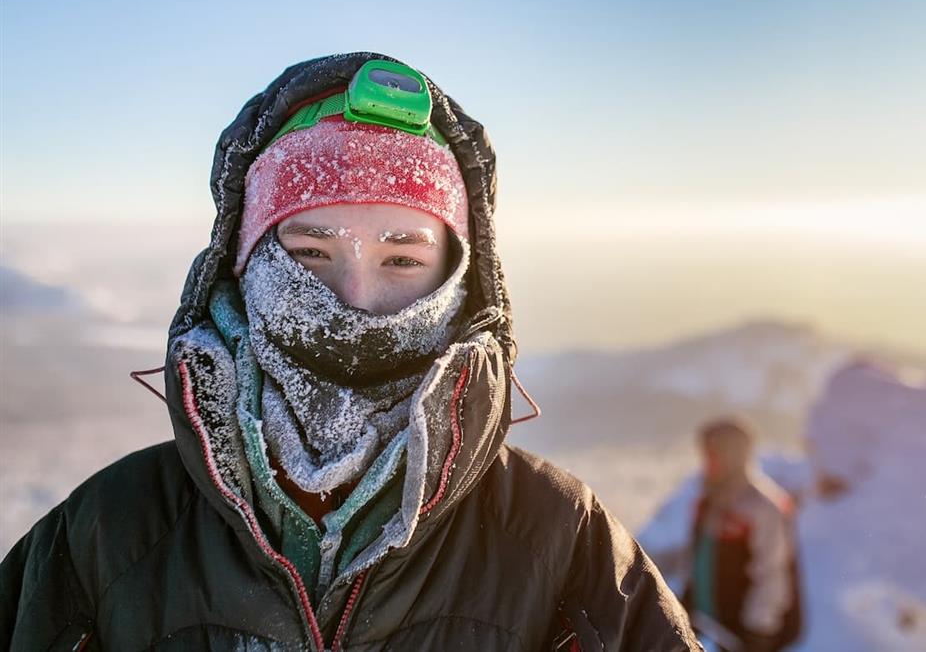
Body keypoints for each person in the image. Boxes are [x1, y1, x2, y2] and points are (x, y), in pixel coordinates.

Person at [1, 52, 701, 651]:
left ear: (462, 279)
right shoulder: (108, 536)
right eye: (309, 253)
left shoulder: (560, 543)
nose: (355, 300)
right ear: (242, 268)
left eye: (402, 260)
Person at [681, 417, 803, 652]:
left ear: (734, 455)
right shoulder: (708, 502)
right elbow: (698, 560)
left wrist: (758, 633)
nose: (708, 462)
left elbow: (772, 575)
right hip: (707, 628)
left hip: (744, 635)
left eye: (714, 454)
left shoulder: (763, 507)